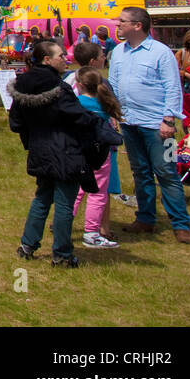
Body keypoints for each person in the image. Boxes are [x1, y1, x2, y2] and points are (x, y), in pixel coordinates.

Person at [8, 40, 103, 267]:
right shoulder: (58, 87)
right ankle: (62, 253)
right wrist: (99, 123)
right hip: (65, 149)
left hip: (40, 148)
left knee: (43, 196)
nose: (65, 59)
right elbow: (77, 116)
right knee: (63, 202)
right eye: (61, 56)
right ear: (47, 59)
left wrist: (34, 135)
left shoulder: (23, 85)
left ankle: (27, 244)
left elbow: (16, 122)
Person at [108, 6, 190, 243]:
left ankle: (181, 224)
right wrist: (112, 112)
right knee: (140, 172)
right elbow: (113, 84)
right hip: (129, 121)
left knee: (166, 171)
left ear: (137, 25)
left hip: (157, 124)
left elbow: (172, 87)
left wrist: (169, 119)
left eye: (122, 22)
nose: (118, 25)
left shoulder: (161, 52)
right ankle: (145, 219)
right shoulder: (118, 51)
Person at [71, 67, 123, 249]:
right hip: (101, 153)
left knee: (76, 191)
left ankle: (63, 222)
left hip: (79, 153)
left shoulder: (76, 103)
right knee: (98, 193)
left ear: (79, 85)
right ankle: (92, 232)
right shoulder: (105, 104)